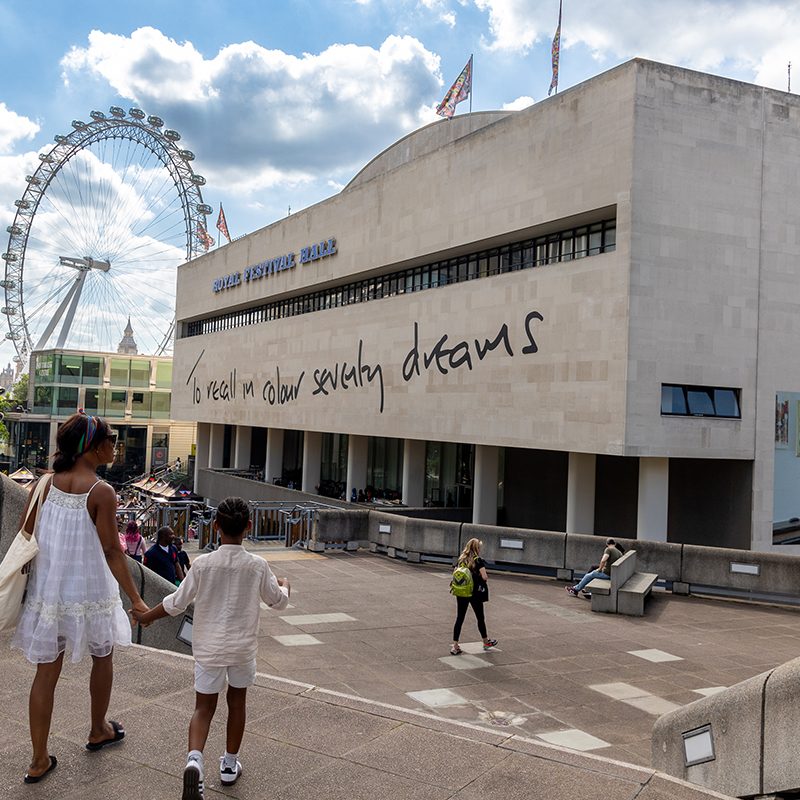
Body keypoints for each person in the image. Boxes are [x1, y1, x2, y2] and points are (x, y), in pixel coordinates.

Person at [10, 412, 150, 783]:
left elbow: (27, 533)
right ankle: (97, 728)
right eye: (111, 439)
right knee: (102, 655)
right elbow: (112, 552)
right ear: (92, 444)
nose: (114, 446)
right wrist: (136, 600)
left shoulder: (44, 483)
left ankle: (38, 760)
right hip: (89, 590)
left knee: (46, 672)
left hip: (49, 592)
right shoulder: (101, 491)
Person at [133, 497, 290, 800]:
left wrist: (146, 618)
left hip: (208, 648)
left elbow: (177, 603)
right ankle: (229, 765)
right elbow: (277, 602)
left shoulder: (203, 564)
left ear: (215, 526)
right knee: (237, 702)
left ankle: (195, 761)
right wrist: (285, 585)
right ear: (248, 526)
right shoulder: (258, 565)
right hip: (242, 649)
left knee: (203, 708)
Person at [451, 538, 498, 655]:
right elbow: (484, 577)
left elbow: (455, 574)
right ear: (477, 548)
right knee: (480, 618)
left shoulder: (461, 560)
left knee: (460, 618)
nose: (480, 549)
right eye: (479, 547)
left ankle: (455, 645)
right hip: (474, 593)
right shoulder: (478, 561)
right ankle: (486, 642)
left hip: (462, 592)